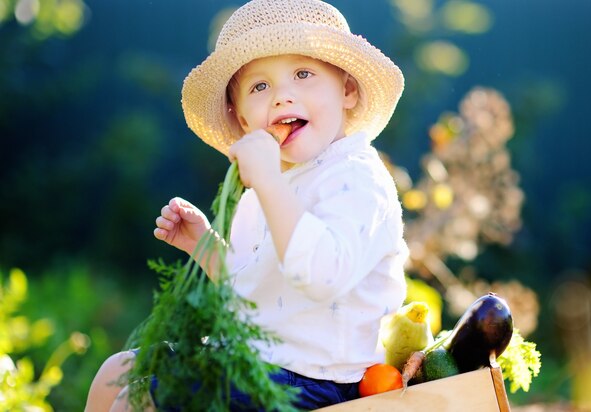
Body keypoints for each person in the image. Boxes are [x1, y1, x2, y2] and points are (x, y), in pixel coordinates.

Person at [86, 0, 408, 410]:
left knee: (146, 402)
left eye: (303, 74)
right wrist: (206, 247)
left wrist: (269, 182)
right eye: (260, 86)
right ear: (240, 119)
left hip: (312, 382)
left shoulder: (357, 178)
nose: (281, 97)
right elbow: (256, 291)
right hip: (251, 363)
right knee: (117, 374)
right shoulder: (268, 185)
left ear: (346, 89)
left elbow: (322, 275)